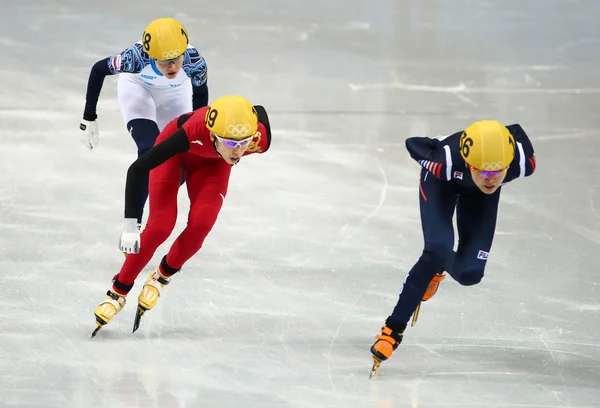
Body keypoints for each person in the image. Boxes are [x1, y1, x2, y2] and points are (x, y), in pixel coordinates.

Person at [91, 95, 271, 337]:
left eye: (243, 142)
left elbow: (259, 110)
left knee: (202, 224)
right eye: (229, 143)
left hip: (212, 165)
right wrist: (130, 225)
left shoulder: (257, 139)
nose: (238, 151)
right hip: (176, 153)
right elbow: (137, 169)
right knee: (160, 226)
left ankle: (162, 277)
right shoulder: (190, 132)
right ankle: (118, 292)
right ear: (214, 135)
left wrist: (235, 135)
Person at [369, 120, 537, 377]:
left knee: (470, 274)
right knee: (437, 247)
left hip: (478, 197)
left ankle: (437, 268)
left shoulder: (522, 163)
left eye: (498, 172)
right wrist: (441, 146)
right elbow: (413, 144)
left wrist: (498, 139)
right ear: (469, 164)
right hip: (442, 184)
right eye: (483, 171)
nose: (491, 179)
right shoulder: (443, 161)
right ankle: (392, 330)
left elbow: (514, 130)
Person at [80, 17, 209, 224]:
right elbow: (98, 69)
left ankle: (153, 202)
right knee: (149, 148)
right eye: (164, 61)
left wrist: (200, 129)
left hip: (176, 95)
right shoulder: (135, 58)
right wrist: (89, 118)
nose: (172, 66)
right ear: (151, 56)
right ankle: (134, 223)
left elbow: (200, 95)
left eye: (177, 59)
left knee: (177, 159)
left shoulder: (195, 62)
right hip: (138, 88)